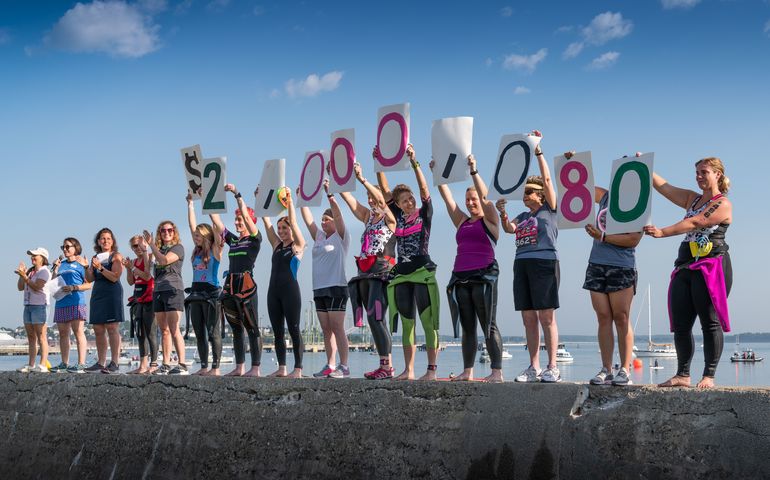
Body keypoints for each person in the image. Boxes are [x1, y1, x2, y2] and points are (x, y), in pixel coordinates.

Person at [644, 157, 732, 389]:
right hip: (685, 265)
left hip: (710, 266)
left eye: (704, 172)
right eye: (697, 173)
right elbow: (665, 188)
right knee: (681, 324)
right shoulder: (692, 198)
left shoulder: (722, 203)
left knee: (709, 322)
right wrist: (645, 167)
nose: (699, 176)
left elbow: (697, 222)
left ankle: (709, 375)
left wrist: (663, 232)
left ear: (717, 175)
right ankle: (682, 374)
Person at [568, 151, 643, 387]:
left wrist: (603, 236)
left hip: (622, 266)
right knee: (603, 318)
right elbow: (580, 187)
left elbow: (634, 239)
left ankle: (625, 369)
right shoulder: (606, 197)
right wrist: (572, 163)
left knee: (621, 318)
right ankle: (606, 369)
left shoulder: (637, 202)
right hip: (596, 264)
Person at [495, 131, 562, 383]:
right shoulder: (522, 217)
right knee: (528, 318)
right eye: (523, 192)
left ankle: (552, 366)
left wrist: (538, 151)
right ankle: (533, 367)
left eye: (530, 192)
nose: (525, 195)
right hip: (521, 263)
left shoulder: (550, 209)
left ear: (541, 194)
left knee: (546, 316)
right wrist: (502, 213)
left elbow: (546, 178)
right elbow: (509, 229)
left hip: (544, 262)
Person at [433, 154, 503, 383]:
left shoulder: (490, 220)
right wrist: (438, 175)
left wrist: (474, 171)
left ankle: (496, 372)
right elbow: (448, 200)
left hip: (484, 276)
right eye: (468, 200)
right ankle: (468, 371)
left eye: (474, 199)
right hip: (461, 278)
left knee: (488, 324)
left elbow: (487, 199)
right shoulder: (462, 221)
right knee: (468, 327)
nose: (471, 203)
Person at [377, 144, 440, 381]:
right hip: (401, 274)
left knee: (427, 321)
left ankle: (431, 370)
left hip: (422, 270)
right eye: (403, 201)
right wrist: (378, 165)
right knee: (407, 324)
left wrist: (415, 162)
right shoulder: (398, 217)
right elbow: (384, 191)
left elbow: (424, 188)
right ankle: (409, 370)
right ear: (399, 204)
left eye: (410, 198)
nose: (408, 202)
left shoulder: (425, 214)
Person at [340, 162, 397, 379]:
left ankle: (387, 366)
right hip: (366, 271)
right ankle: (384, 365)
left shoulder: (389, 218)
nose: (371, 200)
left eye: (373, 197)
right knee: (372, 320)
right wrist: (336, 184)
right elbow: (351, 202)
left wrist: (363, 178)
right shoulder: (368, 218)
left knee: (377, 317)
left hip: (382, 272)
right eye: (368, 197)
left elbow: (382, 201)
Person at [210, 183, 263, 377]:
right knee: (237, 329)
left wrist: (236, 194)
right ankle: (240, 367)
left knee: (252, 328)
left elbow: (248, 217)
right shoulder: (233, 240)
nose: (238, 223)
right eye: (236, 220)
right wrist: (208, 196)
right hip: (231, 287)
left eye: (240, 220)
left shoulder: (255, 240)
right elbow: (217, 222)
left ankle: (255, 367)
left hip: (247, 288)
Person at [301, 180, 351, 379]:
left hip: (337, 286)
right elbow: (307, 221)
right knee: (325, 328)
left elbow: (338, 215)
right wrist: (301, 200)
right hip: (319, 288)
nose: (323, 222)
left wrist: (330, 195)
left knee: (337, 326)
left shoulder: (340, 237)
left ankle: (344, 365)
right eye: (322, 219)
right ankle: (330, 365)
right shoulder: (320, 238)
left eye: (326, 219)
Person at [262, 188, 306, 378]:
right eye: (279, 228)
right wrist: (261, 199)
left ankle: (298, 369)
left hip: (290, 292)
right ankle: (282, 368)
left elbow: (295, 222)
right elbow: (265, 221)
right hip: (273, 292)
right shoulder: (276, 245)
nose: (281, 231)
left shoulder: (298, 246)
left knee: (294, 329)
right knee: (277, 331)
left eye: (284, 228)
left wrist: (289, 203)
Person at [185, 191, 224, 376]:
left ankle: (215, 368)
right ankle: (203, 366)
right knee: (199, 332)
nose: (195, 237)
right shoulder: (196, 251)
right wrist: (190, 204)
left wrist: (208, 203)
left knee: (212, 331)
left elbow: (217, 227)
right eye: (195, 236)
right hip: (195, 294)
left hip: (211, 294)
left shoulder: (216, 250)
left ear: (207, 236)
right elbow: (192, 225)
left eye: (199, 235)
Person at [145, 221, 189, 375]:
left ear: (174, 231)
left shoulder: (178, 248)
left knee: (174, 328)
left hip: (173, 289)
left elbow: (164, 260)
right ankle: (165, 363)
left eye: (170, 230)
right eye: (163, 230)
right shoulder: (158, 250)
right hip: (158, 290)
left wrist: (152, 246)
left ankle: (182, 363)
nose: (166, 233)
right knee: (164, 330)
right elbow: (150, 273)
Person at [84, 228, 124, 374]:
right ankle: (101, 362)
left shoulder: (116, 256)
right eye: (102, 238)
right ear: (98, 242)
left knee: (112, 327)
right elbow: (89, 279)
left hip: (112, 293)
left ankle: (115, 362)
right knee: (98, 328)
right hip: (98, 293)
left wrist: (100, 268)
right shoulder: (96, 257)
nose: (105, 241)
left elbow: (115, 276)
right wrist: (86, 267)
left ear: (112, 241)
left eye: (108, 238)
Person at [50, 238, 91, 373]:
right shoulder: (60, 264)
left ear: (76, 248)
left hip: (76, 301)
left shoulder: (81, 264)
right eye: (63, 247)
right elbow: (53, 282)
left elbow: (88, 284)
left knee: (78, 332)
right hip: (61, 302)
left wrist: (74, 287)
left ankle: (81, 363)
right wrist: (54, 270)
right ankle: (64, 363)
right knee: (63, 334)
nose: (65, 249)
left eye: (68, 247)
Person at [122, 235, 158, 374]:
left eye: (139, 245)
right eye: (134, 246)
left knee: (151, 332)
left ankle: (153, 363)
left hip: (150, 297)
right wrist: (128, 268)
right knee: (140, 333)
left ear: (145, 244)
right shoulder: (134, 261)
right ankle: (143, 365)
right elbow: (131, 281)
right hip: (137, 298)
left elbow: (147, 276)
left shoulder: (150, 257)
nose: (138, 248)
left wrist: (132, 268)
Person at [15, 247, 52, 373]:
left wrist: (25, 277)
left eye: (35, 255)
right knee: (31, 337)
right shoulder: (31, 272)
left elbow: (37, 287)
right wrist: (22, 275)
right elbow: (20, 287)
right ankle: (31, 364)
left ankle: (42, 364)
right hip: (28, 306)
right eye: (31, 255)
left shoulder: (44, 272)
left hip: (40, 306)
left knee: (41, 336)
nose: (32, 257)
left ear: (43, 258)